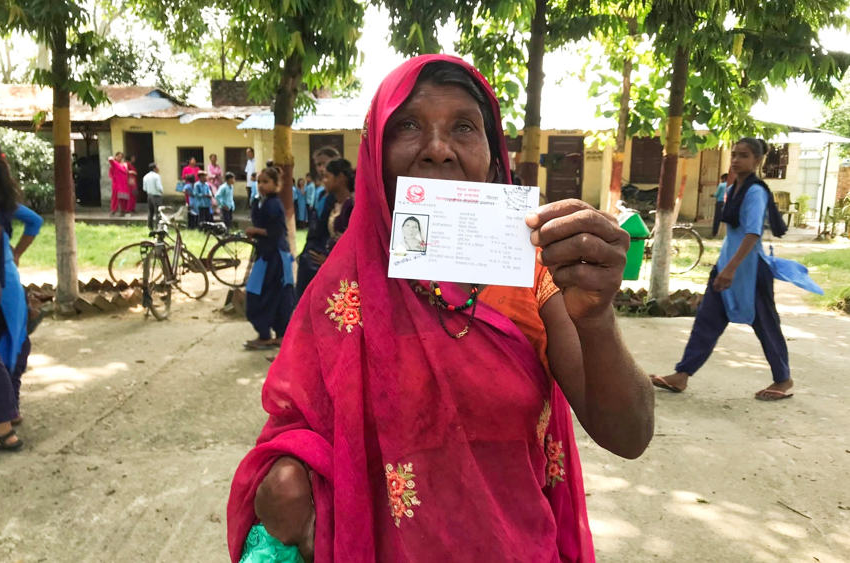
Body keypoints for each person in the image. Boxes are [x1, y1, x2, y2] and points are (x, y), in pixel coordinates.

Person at [228, 55, 654, 563]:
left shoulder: (533, 279)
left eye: (464, 128)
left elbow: (629, 434)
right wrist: (291, 481)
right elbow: (295, 434)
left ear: (493, 161)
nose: (436, 149)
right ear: (375, 157)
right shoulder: (342, 293)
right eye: (408, 126)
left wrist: (597, 318)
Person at [652, 137, 821, 401]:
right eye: (734, 154)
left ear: (757, 161)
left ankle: (783, 379)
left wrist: (730, 269)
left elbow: (752, 233)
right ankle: (682, 375)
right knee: (706, 322)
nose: (736, 160)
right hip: (726, 268)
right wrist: (724, 267)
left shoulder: (755, 192)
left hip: (750, 272)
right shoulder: (732, 188)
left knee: (766, 325)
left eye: (744, 156)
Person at [0, 145, 42, 451]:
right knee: (14, 342)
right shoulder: (5, 202)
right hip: (8, 280)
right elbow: (35, 221)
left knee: (6, 347)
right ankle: (10, 412)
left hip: (3, 281)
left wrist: (15, 253)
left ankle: (5, 421)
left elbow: (35, 221)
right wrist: (16, 254)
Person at [243, 167, 295, 351]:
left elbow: (277, 232)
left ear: (276, 184)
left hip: (274, 256)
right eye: (259, 182)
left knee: (258, 294)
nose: (261, 185)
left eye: (266, 182)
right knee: (275, 295)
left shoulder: (273, 204)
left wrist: (255, 231)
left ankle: (267, 335)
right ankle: (276, 335)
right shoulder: (262, 202)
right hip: (268, 253)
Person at [295, 158, 355, 300]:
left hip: (343, 269)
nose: (324, 181)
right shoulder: (331, 202)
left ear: (340, 178)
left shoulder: (352, 206)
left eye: (327, 177)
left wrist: (330, 261)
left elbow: (353, 245)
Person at [107, 152, 130, 217]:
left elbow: (126, 172)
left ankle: (123, 211)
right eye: (118, 156)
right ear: (116, 156)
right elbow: (110, 159)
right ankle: (113, 211)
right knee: (115, 197)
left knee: (124, 198)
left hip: (124, 183)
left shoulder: (124, 164)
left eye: (121, 157)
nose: (120, 158)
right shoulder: (114, 164)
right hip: (117, 184)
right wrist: (113, 159)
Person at [143, 162, 164, 230]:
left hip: (149, 195)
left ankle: (150, 226)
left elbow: (144, 188)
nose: (158, 168)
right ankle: (158, 226)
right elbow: (158, 186)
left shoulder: (145, 176)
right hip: (156, 195)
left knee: (150, 211)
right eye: (157, 167)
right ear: (154, 168)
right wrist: (161, 190)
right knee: (158, 211)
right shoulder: (156, 176)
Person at [712, 173, 729, 238]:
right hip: (727, 203)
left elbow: (717, 194)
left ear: (724, 178)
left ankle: (715, 233)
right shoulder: (731, 184)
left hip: (720, 202)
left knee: (717, 218)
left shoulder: (721, 185)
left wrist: (713, 195)